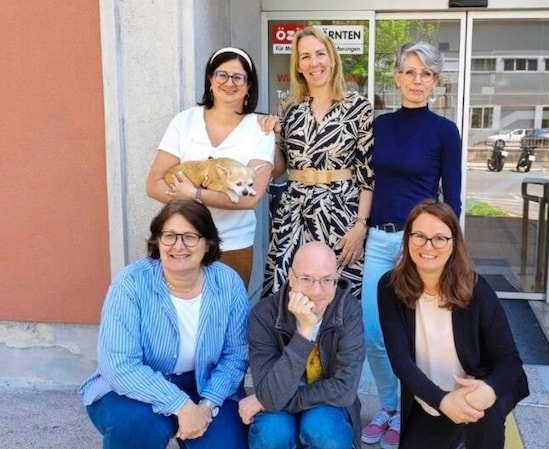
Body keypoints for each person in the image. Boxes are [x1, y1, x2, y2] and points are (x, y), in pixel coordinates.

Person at [79, 200, 249, 449]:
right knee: (138, 425)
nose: (178, 246)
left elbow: (236, 356)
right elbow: (118, 364)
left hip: (205, 385)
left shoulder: (228, 283)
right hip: (136, 389)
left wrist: (207, 405)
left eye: (190, 236)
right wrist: (179, 404)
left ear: (208, 243)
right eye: (169, 236)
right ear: (157, 241)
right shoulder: (131, 283)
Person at [360, 41, 463, 448]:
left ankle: (411, 410)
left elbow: (451, 200)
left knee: (412, 336)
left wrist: (441, 249)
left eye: (426, 74)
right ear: (397, 77)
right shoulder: (379, 126)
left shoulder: (444, 131)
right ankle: (388, 405)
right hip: (378, 240)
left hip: (418, 247)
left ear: (435, 82)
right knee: (373, 331)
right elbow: (366, 181)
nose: (417, 80)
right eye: (410, 71)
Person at [378, 199, 529, 449]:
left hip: (479, 385)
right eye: (419, 236)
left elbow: (509, 359)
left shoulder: (476, 289)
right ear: (407, 239)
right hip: (430, 395)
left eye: (439, 238)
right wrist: (442, 401)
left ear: (454, 243)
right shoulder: (390, 287)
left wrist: (489, 390)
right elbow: (401, 362)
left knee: (483, 412)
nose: (428, 246)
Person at [260, 26, 374, 298]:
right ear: (298, 65)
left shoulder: (358, 107)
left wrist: (361, 226)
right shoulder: (289, 108)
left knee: (338, 293)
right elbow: (278, 170)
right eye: (306, 56)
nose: (314, 63)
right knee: (290, 291)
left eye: (320, 54)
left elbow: (367, 175)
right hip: (294, 211)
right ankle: (293, 343)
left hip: (341, 213)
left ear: (332, 58)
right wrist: (273, 137)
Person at [146, 47, 275, 288]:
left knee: (229, 316)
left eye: (238, 77)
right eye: (222, 75)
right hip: (181, 242)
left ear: (249, 86)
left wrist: (194, 195)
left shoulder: (260, 129)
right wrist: (189, 200)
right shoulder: (184, 122)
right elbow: (153, 184)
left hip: (233, 244)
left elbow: (249, 198)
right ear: (210, 80)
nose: (229, 83)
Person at [239, 241, 365, 449]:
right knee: (272, 433)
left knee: (322, 428)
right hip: (277, 398)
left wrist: (266, 400)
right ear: (290, 276)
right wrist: (304, 333)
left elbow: (344, 389)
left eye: (326, 280)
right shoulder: (264, 315)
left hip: (328, 403)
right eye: (306, 279)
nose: (316, 292)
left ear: (336, 279)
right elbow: (268, 393)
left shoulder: (349, 310)